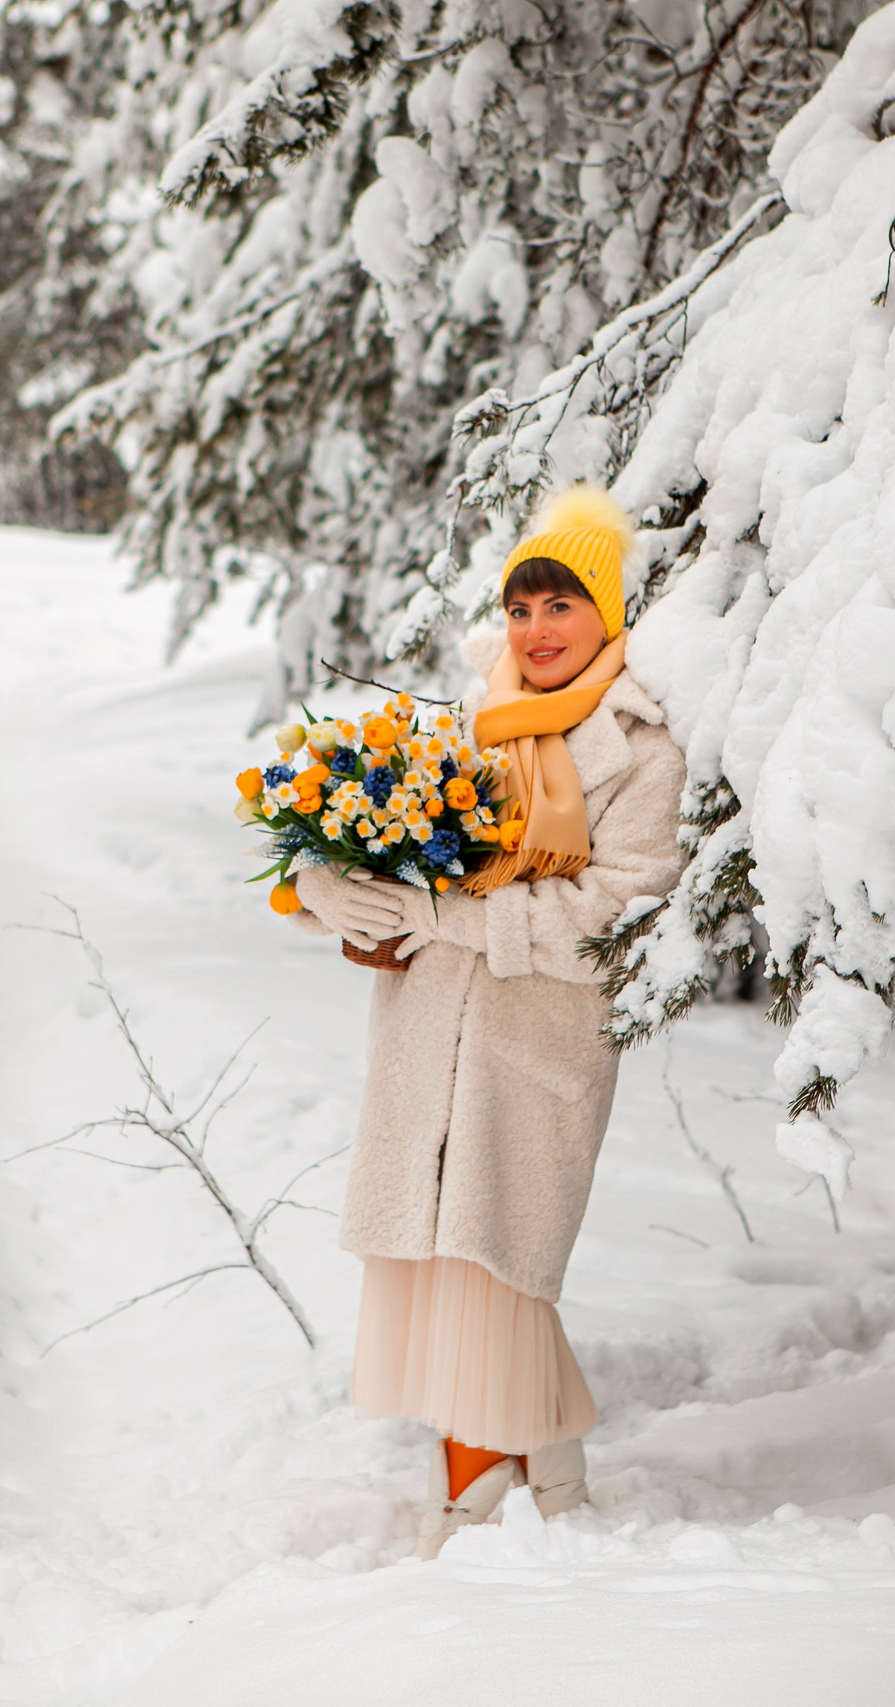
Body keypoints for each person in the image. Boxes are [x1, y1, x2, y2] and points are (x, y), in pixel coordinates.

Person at [286, 486, 689, 1556]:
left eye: (562, 606)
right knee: (446, 1258)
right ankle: (549, 1482)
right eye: (520, 609)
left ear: (607, 617)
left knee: (495, 1259)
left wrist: (447, 916)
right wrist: (330, 889)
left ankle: (470, 1503)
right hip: (430, 1036)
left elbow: (615, 911)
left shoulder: (640, 748)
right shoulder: (471, 726)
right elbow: (386, 857)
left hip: (540, 1041)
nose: (537, 630)